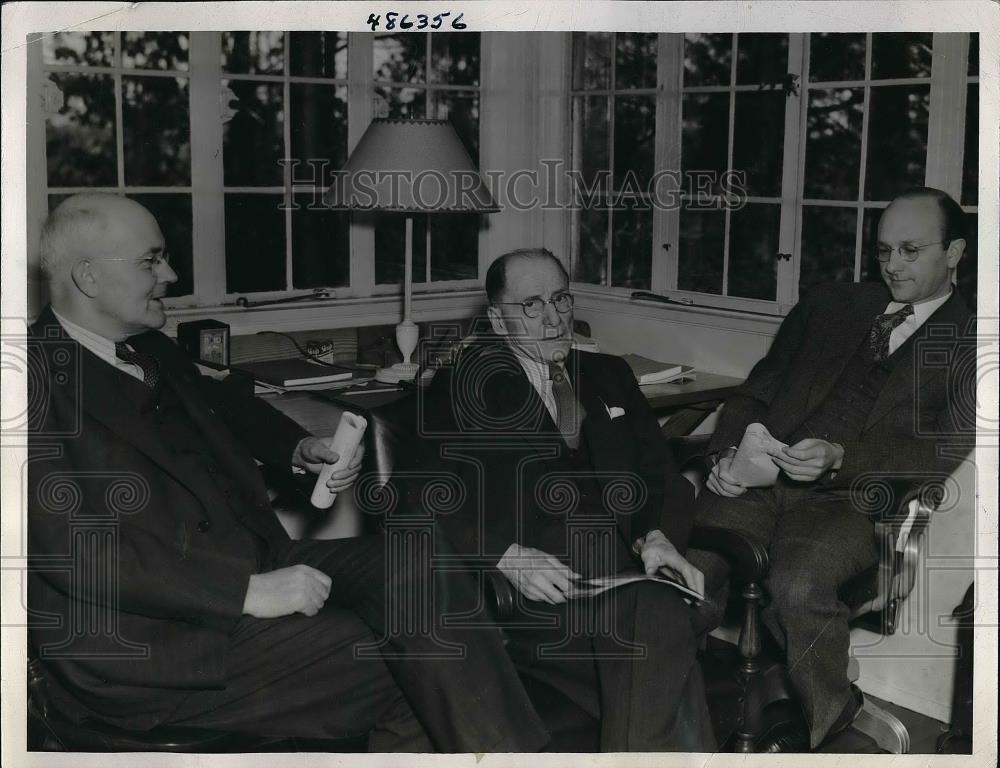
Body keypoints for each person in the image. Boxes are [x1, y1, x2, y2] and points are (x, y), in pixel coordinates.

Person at [27, 193, 550, 752]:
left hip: (253, 562)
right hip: (144, 645)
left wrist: (298, 446)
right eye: (150, 261)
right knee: (426, 654)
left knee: (420, 567)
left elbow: (228, 405)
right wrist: (243, 592)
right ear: (87, 277)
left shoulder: (148, 348)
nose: (171, 274)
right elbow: (72, 548)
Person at [690, 187, 976, 749]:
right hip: (760, 479)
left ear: (955, 251)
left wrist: (843, 458)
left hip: (851, 501)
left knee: (796, 585)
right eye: (884, 250)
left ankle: (832, 724)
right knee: (688, 572)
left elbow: (938, 454)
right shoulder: (828, 306)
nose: (893, 265)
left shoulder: (974, 339)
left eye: (911, 250)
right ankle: (667, 718)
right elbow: (754, 394)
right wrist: (724, 454)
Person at [414, 247, 716, 752]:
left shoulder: (609, 376)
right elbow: (418, 495)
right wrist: (506, 557)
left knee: (654, 614)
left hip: (632, 569)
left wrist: (658, 536)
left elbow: (663, 476)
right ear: (497, 318)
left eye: (560, 298)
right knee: (660, 621)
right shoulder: (461, 389)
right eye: (531, 305)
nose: (553, 318)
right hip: (546, 590)